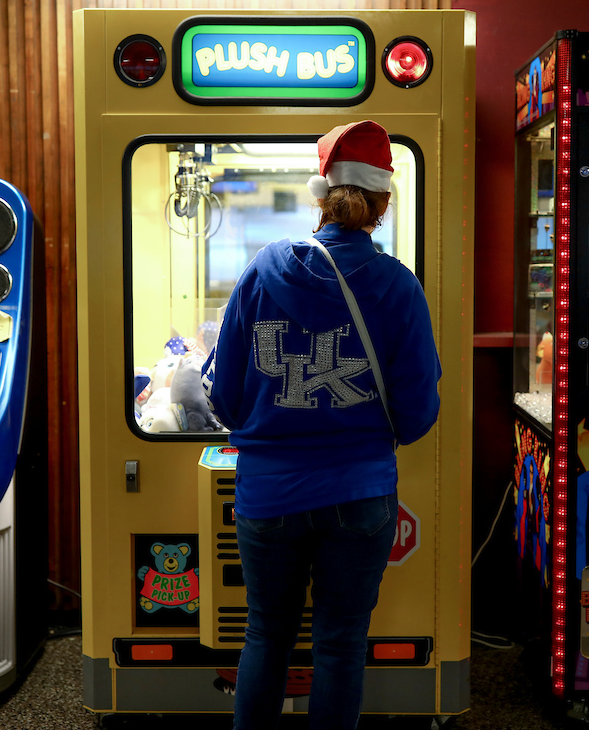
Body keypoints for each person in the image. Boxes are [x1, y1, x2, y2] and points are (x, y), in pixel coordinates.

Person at [201, 120, 442, 730]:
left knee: (266, 637)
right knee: (339, 644)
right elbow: (416, 414)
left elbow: (223, 395)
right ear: (383, 203)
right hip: (360, 493)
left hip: (268, 493)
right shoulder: (398, 286)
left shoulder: (262, 270)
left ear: (320, 194)